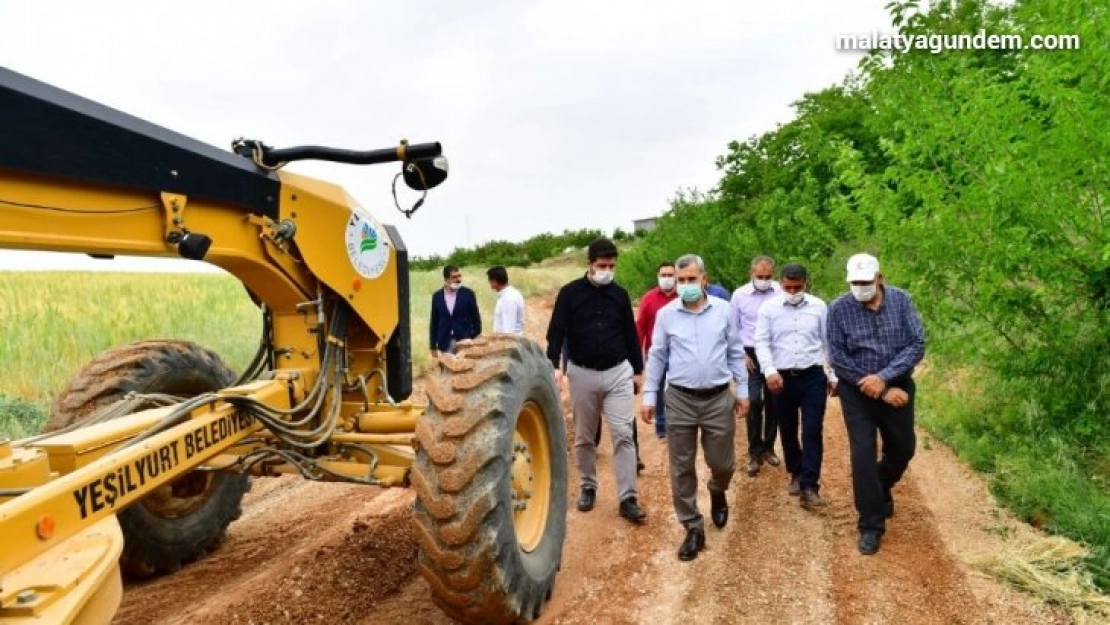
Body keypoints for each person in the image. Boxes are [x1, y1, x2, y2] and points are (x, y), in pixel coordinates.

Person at [641, 254, 748, 561]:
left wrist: (742, 390)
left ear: (704, 279)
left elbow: (734, 351)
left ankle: (717, 490)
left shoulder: (724, 311)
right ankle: (693, 527)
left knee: (723, 463)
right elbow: (658, 356)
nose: (686, 285)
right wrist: (650, 395)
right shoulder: (667, 315)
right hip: (680, 399)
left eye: (691, 279)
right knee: (681, 466)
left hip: (717, 398)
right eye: (681, 280)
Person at [826, 253, 925, 555]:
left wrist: (884, 379)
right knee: (863, 453)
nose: (860, 287)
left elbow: (916, 343)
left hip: (897, 385)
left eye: (866, 282)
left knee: (903, 447)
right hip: (856, 391)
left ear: (880, 278)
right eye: (855, 282)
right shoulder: (839, 309)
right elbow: (838, 358)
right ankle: (870, 523)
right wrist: (876, 389)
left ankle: (880, 487)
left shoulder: (901, 301)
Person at [546, 238, 647, 524]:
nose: (607, 270)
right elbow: (556, 332)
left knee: (624, 434)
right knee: (584, 437)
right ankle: (588, 486)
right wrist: (554, 365)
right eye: (602, 266)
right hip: (582, 373)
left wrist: (637, 370)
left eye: (611, 266)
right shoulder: (569, 294)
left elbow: (630, 333)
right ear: (589, 264)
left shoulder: (620, 295)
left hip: (617, 372)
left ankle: (628, 497)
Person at [754, 262, 837, 510]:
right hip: (781, 378)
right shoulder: (768, 309)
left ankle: (810, 485)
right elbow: (761, 341)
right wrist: (769, 371)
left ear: (805, 284)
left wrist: (833, 375)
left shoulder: (819, 307)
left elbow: (828, 342)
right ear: (781, 284)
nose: (792, 292)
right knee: (787, 428)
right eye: (787, 287)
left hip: (812, 376)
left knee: (812, 429)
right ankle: (796, 471)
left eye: (797, 287)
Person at [730, 255, 783, 477]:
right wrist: (741, 354)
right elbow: (732, 328)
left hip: (774, 353)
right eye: (760, 276)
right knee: (753, 401)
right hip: (749, 354)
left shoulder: (780, 292)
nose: (764, 280)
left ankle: (769, 447)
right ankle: (754, 451)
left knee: (774, 401)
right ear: (751, 273)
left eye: (768, 277)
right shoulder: (739, 295)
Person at [635, 261, 678, 438]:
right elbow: (641, 327)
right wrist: (638, 353)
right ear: (658, 276)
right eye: (664, 275)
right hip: (655, 351)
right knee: (657, 388)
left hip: (678, 352)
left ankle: (677, 424)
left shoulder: (682, 297)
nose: (667, 278)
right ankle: (661, 425)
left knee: (677, 389)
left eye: (670, 275)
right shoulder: (649, 298)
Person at [429, 264, 481, 357]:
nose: (458, 279)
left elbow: (476, 319)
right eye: (454, 277)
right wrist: (432, 345)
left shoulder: (468, 294)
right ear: (446, 279)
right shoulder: (437, 296)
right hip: (445, 343)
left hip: (465, 343)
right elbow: (434, 322)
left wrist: (472, 338)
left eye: (459, 276)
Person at [487, 265, 525, 335]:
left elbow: (508, 331)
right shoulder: (511, 293)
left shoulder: (508, 299)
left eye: (489, 281)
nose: (489, 283)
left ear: (494, 282)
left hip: (509, 343)